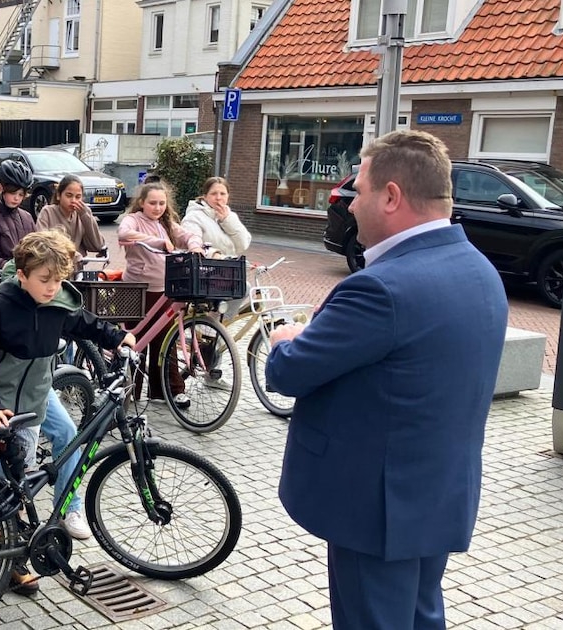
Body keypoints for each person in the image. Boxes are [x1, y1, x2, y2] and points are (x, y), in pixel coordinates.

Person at [265, 130, 509, 630]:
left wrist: (285, 336)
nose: (351, 207)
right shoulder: (480, 269)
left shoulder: (379, 288)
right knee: (421, 616)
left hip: (374, 507)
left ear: (392, 196)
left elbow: (287, 373)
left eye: (359, 192)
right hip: (434, 494)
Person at [0, 230, 135, 595]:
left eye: (58, 279)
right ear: (21, 275)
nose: (52, 288)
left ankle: (10, 556)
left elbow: (84, 323)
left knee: (15, 487)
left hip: (34, 399)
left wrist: (117, 337)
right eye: (44, 280)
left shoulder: (60, 300)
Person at [117, 182, 204, 405]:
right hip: (136, 289)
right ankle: (128, 391)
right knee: (135, 341)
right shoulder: (134, 219)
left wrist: (196, 246)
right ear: (142, 203)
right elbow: (124, 233)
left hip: (163, 290)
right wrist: (157, 242)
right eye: (152, 203)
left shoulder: (166, 223)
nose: (157, 208)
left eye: (162, 203)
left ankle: (167, 390)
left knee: (165, 340)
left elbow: (186, 235)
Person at [182, 176, 253, 317]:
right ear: (205, 196)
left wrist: (227, 221)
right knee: (243, 288)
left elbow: (243, 244)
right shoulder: (194, 217)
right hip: (203, 273)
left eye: (223, 194)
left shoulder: (230, 215)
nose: (218, 198)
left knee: (244, 288)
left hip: (225, 273)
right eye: (214, 194)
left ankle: (221, 326)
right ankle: (216, 327)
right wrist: (216, 255)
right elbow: (192, 242)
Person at [36, 175, 106, 259]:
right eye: (69, 196)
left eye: (78, 197)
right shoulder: (47, 212)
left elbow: (97, 245)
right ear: (59, 195)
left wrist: (86, 217)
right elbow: (41, 241)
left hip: (77, 268)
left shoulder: (82, 214)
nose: (73, 201)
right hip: (54, 267)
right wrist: (73, 254)